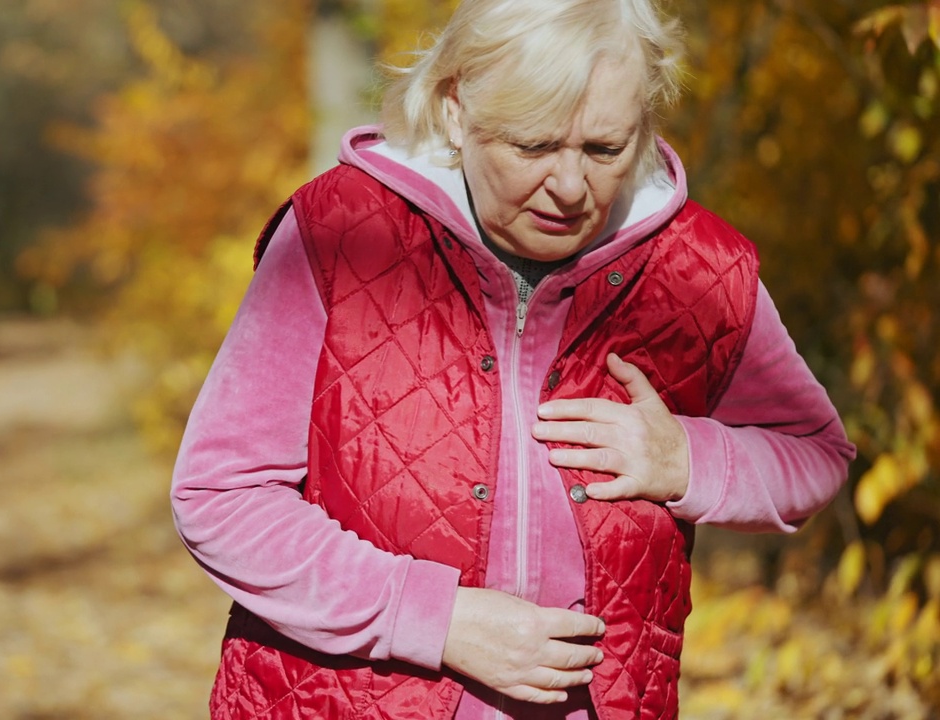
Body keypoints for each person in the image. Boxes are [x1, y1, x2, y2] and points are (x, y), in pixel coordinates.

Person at [171, 0, 855, 718]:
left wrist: (688, 460)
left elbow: (817, 454)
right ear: (457, 107)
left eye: (603, 150)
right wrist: (433, 620)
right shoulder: (340, 230)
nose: (568, 187)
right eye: (533, 148)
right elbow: (221, 497)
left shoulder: (700, 268)